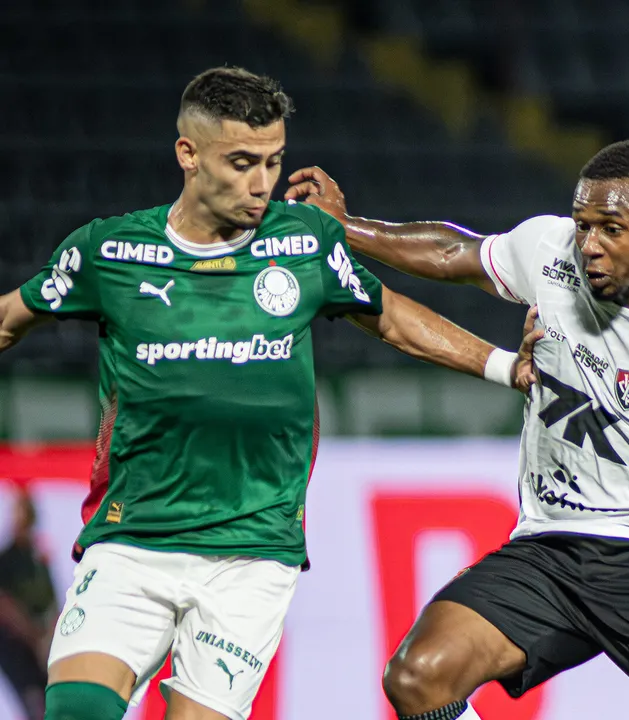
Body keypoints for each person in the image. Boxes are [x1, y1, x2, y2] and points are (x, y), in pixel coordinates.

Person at [0, 66, 540, 720]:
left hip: (252, 552)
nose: (262, 183)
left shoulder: (302, 242)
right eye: (242, 163)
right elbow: (9, 319)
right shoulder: (110, 252)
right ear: (188, 154)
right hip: (133, 536)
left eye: (273, 161)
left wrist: (504, 366)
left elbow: (392, 318)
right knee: (75, 710)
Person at [285, 140, 629, 720]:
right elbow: (454, 252)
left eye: (611, 229)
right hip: (549, 545)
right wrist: (346, 229)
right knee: (417, 677)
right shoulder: (550, 250)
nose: (589, 245)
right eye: (582, 224)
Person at [0, 489, 58, 720]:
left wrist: (47, 636)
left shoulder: (38, 559)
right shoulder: (7, 559)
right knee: (33, 704)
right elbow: (5, 605)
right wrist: (32, 634)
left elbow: (51, 600)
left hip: (40, 647)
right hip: (16, 648)